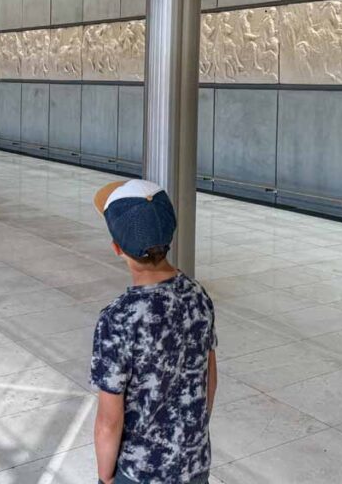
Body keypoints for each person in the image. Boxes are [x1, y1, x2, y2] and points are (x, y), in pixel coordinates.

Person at [90, 180, 218, 484]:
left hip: (140, 472)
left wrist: (105, 477)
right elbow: (209, 379)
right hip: (195, 463)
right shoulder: (198, 295)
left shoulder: (118, 318)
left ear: (117, 248)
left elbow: (109, 421)